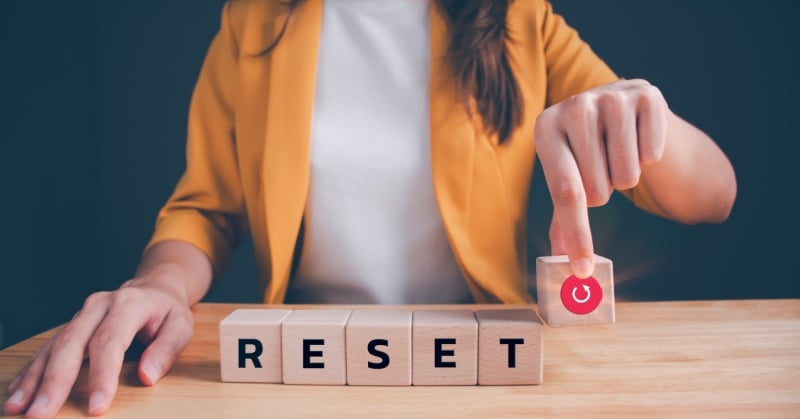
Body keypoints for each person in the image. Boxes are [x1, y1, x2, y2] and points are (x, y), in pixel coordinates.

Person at [5, 0, 736, 417]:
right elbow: (208, 208)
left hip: (482, 376)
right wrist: (158, 283)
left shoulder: (518, 20)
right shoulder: (253, 22)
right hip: (306, 379)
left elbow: (715, 193)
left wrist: (641, 115)